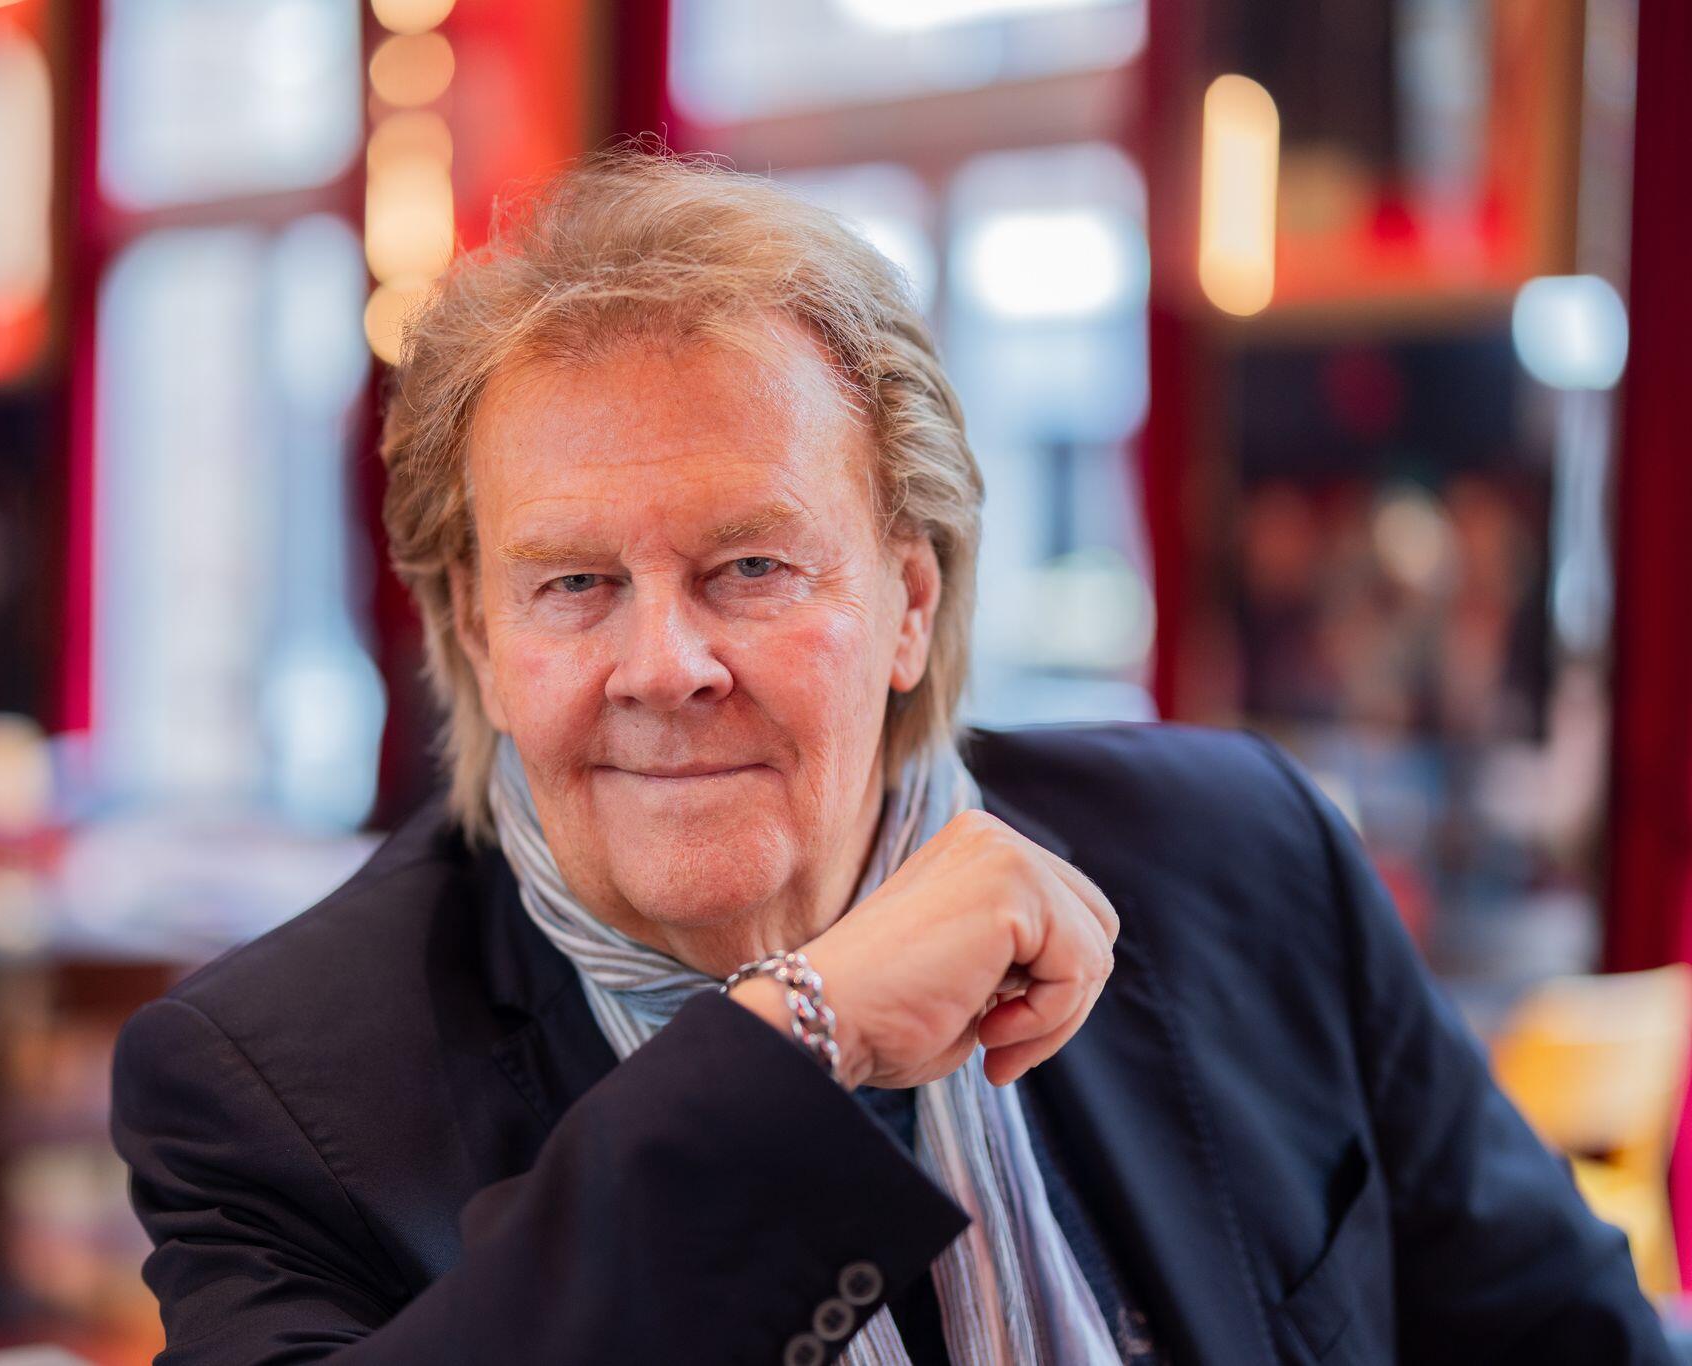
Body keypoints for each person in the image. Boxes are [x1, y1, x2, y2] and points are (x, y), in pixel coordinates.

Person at [109, 150, 1670, 1365]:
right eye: (573, 583)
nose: (665, 664)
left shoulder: (1244, 862)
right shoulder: (270, 1087)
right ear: (478, 630)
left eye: (750, 566)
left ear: (910, 599)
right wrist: (806, 1031)